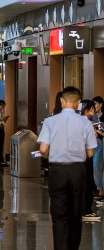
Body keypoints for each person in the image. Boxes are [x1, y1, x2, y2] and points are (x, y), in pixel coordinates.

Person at [37, 86, 98, 249]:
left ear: (62, 101)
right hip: (78, 171)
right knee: (75, 213)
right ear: (78, 103)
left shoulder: (50, 121)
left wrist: (48, 153)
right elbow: (91, 153)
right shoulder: (86, 123)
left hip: (57, 171)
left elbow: (43, 149)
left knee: (59, 214)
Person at [80, 102, 101, 223]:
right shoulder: (87, 123)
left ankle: (82, 209)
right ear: (89, 109)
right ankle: (86, 210)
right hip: (86, 156)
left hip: (76, 157)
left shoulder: (77, 121)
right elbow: (92, 143)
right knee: (87, 183)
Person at [93, 96, 104, 203]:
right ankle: (99, 189)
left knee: (99, 166)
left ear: (101, 104)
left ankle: (101, 191)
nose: (94, 106)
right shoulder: (93, 117)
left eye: (96, 104)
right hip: (96, 143)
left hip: (102, 142)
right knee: (96, 167)